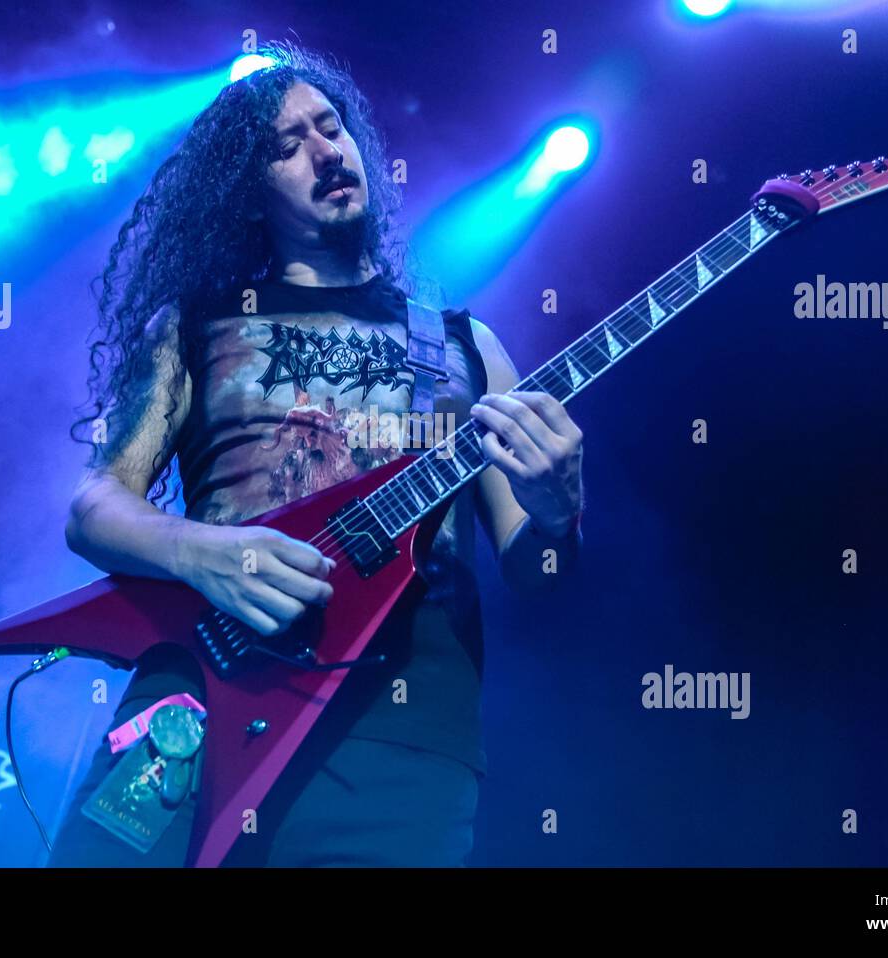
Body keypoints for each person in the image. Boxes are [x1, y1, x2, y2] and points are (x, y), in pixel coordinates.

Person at [47, 41, 584, 867]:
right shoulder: (194, 327)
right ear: (249, 194)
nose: (325, 151)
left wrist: (559, 515)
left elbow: (541, 581)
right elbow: (94, 508)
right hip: (191, 708)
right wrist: (203, 551)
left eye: (330, 127)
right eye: (285, 146)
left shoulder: (464, 348)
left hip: (400, 739)